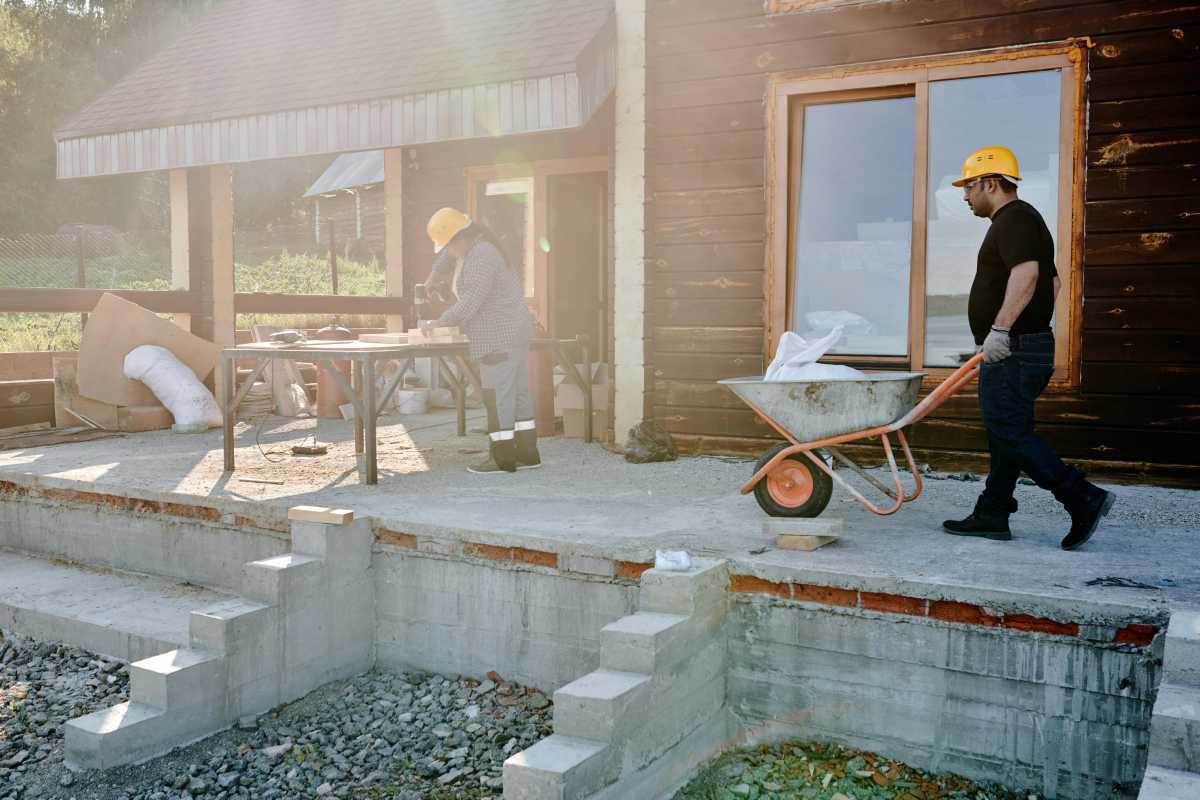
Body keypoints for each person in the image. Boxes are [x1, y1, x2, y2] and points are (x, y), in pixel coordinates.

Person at [942, 146, 1114, 550]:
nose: (965, 196)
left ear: (989, 182)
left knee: (1008, 429)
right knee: (1006, 431)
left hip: (1013, 347)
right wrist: (1031, 329)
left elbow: (1029, 274)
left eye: (968, 187)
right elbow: (1052, 284)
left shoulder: (1014, 218)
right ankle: (993, 512)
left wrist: (1002, 330)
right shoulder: (1025, 220)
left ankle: (1081, 496)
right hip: (1024, 345)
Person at [422, 207, 540, 474]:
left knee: (497, 396)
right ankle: (527, 454)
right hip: (514, 332)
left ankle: (502, 459)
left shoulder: (480, 257)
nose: (449, 252)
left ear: (459, 239)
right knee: (518, 393)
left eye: (449, 246)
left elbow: (471, 301)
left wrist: (439, 322)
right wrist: (433, 276)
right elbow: (447, 258)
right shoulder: (477, 246)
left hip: (497, 335)